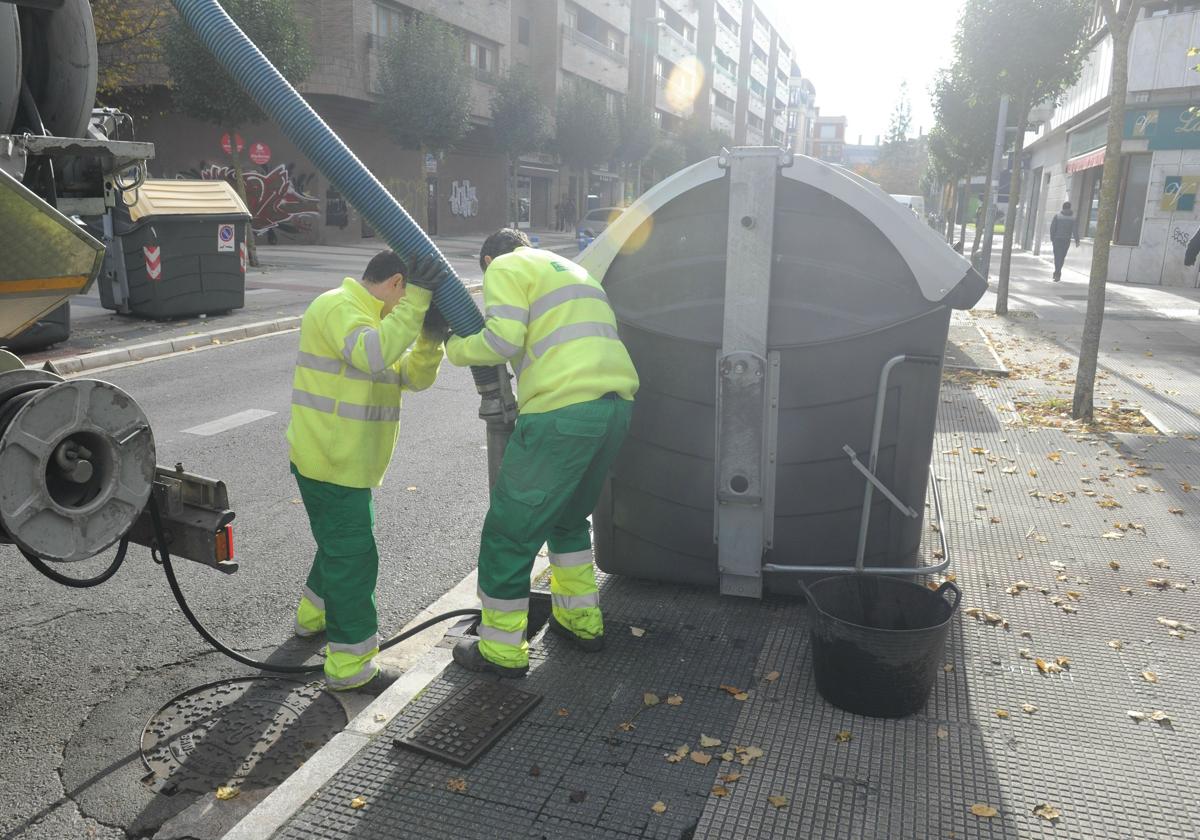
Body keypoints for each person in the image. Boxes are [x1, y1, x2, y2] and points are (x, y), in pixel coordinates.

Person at [443, 228, 639, 678]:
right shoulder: (575, 271)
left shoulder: (505, 266)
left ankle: (501, 650)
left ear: (489, 259)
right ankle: (580, 621)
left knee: (509, 533)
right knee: (569, 520)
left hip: (561, 410)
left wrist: (454, 348)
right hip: (614, 407)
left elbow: (503, 339)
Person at [287, 249, 449, 693]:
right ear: (399, 283)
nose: (407, 308)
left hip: (345, 464)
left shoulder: (374, 318)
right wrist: (418, 305)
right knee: (354, 558)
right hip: (331, 463)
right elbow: (372, 355)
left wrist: (430, 340)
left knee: (338, 547)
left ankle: (312, 617)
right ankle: (350, 668)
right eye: (407, 296)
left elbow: (411, 379)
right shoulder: (338, 306)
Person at [1048, 201, 1081, 281]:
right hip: (1066, 240)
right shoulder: (1073, 218)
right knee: (1062, 257)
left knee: (1057, 256)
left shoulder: (1057, 216)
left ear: (1062, 207)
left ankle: (1057, 273)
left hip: (1057, 239)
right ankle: (1058, 273)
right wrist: (1077, 240)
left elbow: (1052, 228)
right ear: (1070, 208)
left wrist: (1052, 238)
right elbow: (1075, 230)